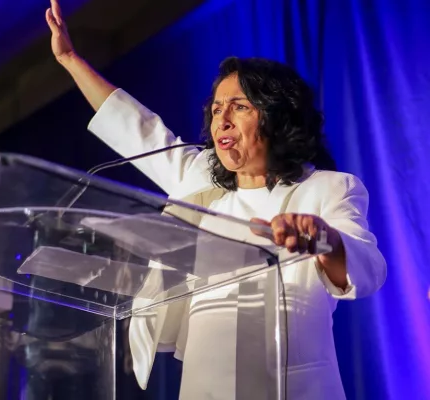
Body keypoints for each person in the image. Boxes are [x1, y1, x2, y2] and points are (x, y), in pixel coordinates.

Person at [45, 1, 387, 399]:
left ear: (278, 116)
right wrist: (70, 60)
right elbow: (138, 130)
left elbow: (369, 267)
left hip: (292, 385)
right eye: (216, 109)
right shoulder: (200, 180)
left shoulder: (328, 188)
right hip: (205, 385)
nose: (221, 120)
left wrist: (326, 241)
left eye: (239, 107)